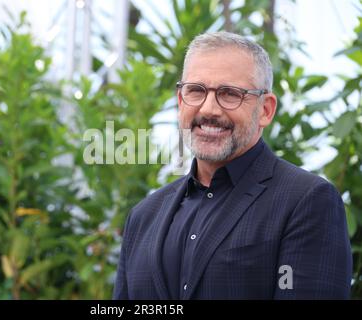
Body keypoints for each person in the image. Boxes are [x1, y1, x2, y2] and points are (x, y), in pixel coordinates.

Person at [113, 31, 352, 300]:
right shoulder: (144, 217)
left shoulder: (306, 202)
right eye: (196, 91)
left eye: (229, 94)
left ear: (265, 110)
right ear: (181, 101)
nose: (209, 109)